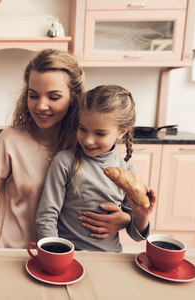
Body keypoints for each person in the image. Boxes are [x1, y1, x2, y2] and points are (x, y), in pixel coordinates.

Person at [0, 49, 132, 248]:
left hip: (67, 256)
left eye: (54, 97)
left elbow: (107, 199)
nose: (41, 105)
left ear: (73, 98)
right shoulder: (11, 140)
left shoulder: (86, 142)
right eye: (33, 95)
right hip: (17, 253)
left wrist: (125, 219)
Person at [36, 84, 157, 252]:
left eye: (100, 133)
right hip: (68, 255)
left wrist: (140, 217)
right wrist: (55, 253)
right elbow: (46, 217)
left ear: (122, 131)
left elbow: (137, 236)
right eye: (82, 129)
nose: (88, 140)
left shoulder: (128, 173)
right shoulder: (65, 161)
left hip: (110, 257)